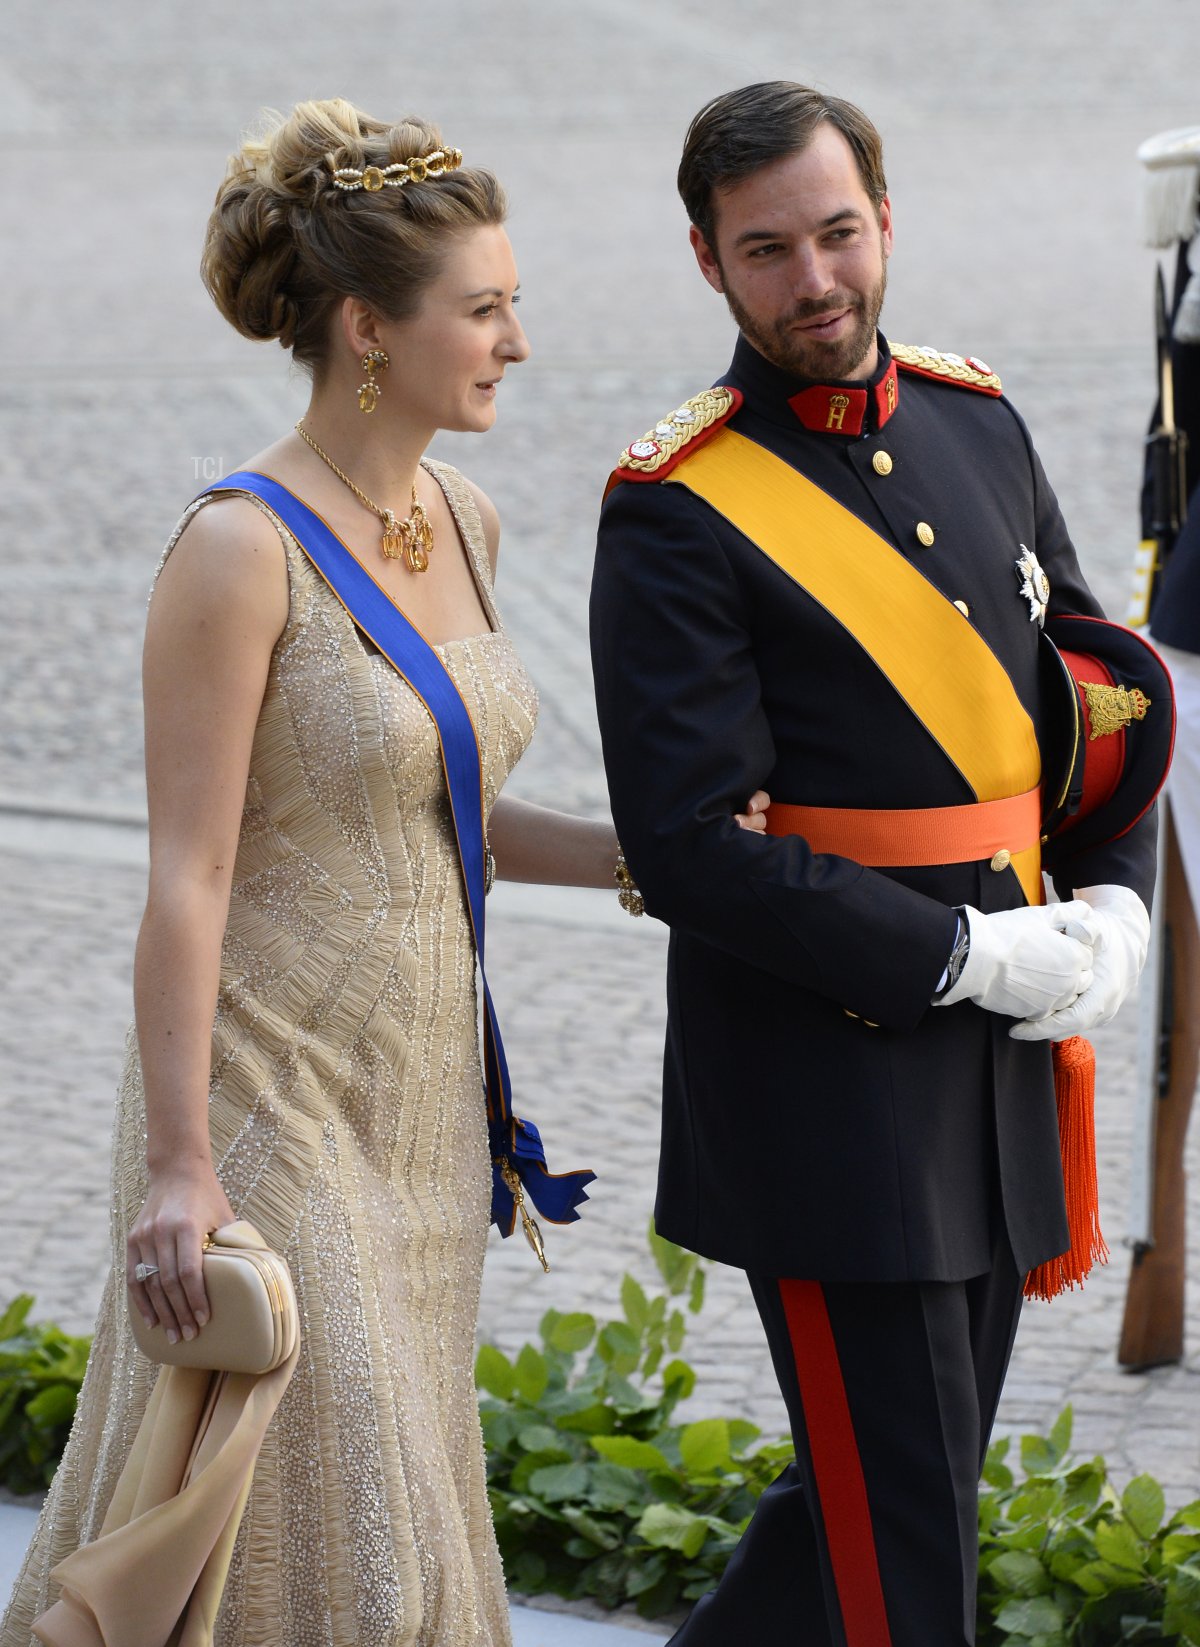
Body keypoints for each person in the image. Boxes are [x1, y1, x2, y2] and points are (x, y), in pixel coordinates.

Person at [0, 98, 770, 1647]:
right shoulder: (238, 550)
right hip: (264, 1104)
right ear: (370, 327)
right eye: (483, 310)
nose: (515, 342)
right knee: (323, 1517)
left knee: (404, 1491)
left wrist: (655, 861)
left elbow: (454, 813)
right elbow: (188, 879)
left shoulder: (463, 520)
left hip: (417, 1108)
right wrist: (174, 1166)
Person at [590, 82, 1167, 1647]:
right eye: (768, 250)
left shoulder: (975, 420)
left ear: (888, 222)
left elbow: (1095, 693)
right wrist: (961, 954)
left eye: (840, 233)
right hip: (827, 1081)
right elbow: (689, 848)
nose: (818, 280)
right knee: (906, 1551)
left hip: (1005, 1061)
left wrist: (1115, 898)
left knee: (878, 1496)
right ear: (709, 263)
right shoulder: (677, 510)